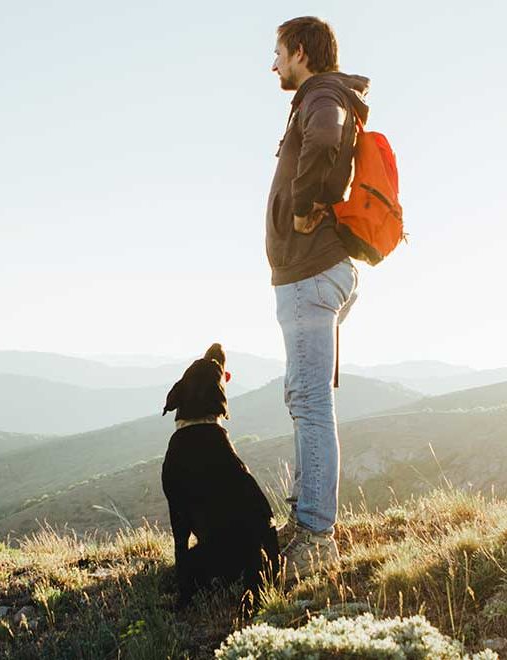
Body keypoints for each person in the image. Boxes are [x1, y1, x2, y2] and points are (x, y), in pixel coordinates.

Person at [266, 16, 369, 579]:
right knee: (304, 398)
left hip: (312, 271)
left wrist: (304, 207)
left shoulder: (322, 95)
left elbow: (326, 136)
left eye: (278, 52)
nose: (273, 63)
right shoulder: (320, 96)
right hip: (310, 274)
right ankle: (308, 520)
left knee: (310, 403)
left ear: (300, 51)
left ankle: (316, 537)